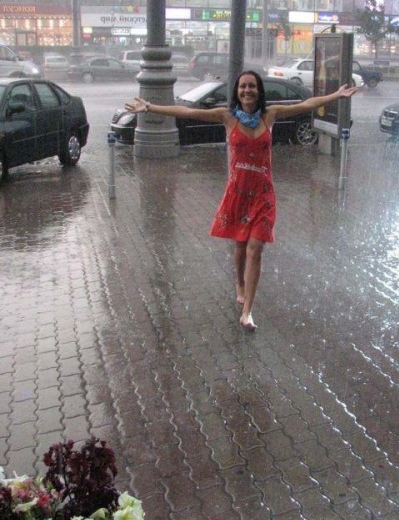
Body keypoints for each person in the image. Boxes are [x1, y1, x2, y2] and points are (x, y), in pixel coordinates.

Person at [125, 71, 358, 331]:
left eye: (252, 87)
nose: (247, 90)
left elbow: (305, 104)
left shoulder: (271, 115)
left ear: (259, 91)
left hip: (263, 194)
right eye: (243, 87)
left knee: (255, 248)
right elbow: (186, 112)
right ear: (237, 91)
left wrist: (336, 95)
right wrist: (150, 106)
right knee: (239, 245)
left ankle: (247, 311)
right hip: (237, 192)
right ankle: (239, 281)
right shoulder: (226, 117)